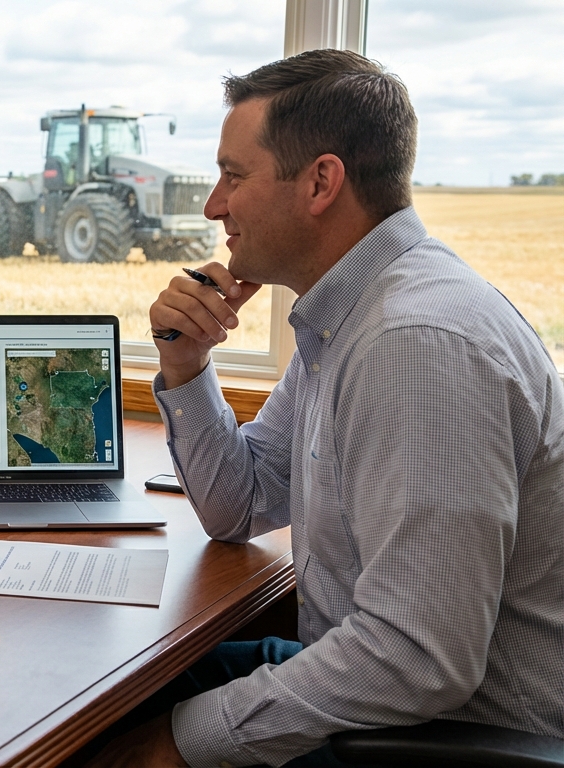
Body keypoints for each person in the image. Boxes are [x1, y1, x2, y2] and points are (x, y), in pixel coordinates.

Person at [94, 49, 564, 767]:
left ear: (321, 182)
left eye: (233, 175)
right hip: (386, 693)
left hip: (452, 738)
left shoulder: (413, 344)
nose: (215, 205)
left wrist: (175, 746)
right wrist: (186, 364)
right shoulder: (351, 320)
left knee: (132, 732)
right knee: (115, 695)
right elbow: (241, 505)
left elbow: (416, 661)